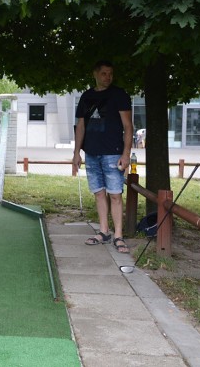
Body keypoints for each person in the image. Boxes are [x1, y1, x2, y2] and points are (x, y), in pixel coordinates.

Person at [73, 60, 133, 254]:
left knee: (115, 194)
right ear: (95, 74)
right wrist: (76, 153)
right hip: (91, 153)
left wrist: (126, 154)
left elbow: (128, 126)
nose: (108, 77)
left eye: (110, 74)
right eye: (104, 74)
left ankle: (118, 235)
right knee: (99, 193)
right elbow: (80, 126)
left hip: (113, 152)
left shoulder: (119, 95)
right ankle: (104, 232)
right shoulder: (86, 97)